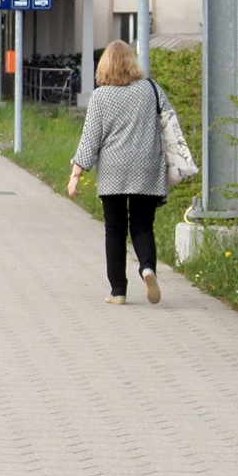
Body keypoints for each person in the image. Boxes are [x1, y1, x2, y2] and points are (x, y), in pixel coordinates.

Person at [67, 40, 170, 306]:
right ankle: (147, 268)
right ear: (132, 62)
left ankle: (118, 292)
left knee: (114, 230)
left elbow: (90, 139)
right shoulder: (151, 89)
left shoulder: (101, 96)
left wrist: (76, 174)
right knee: (142, 226)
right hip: (147, 166)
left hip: (114, 170)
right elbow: (169, 123)